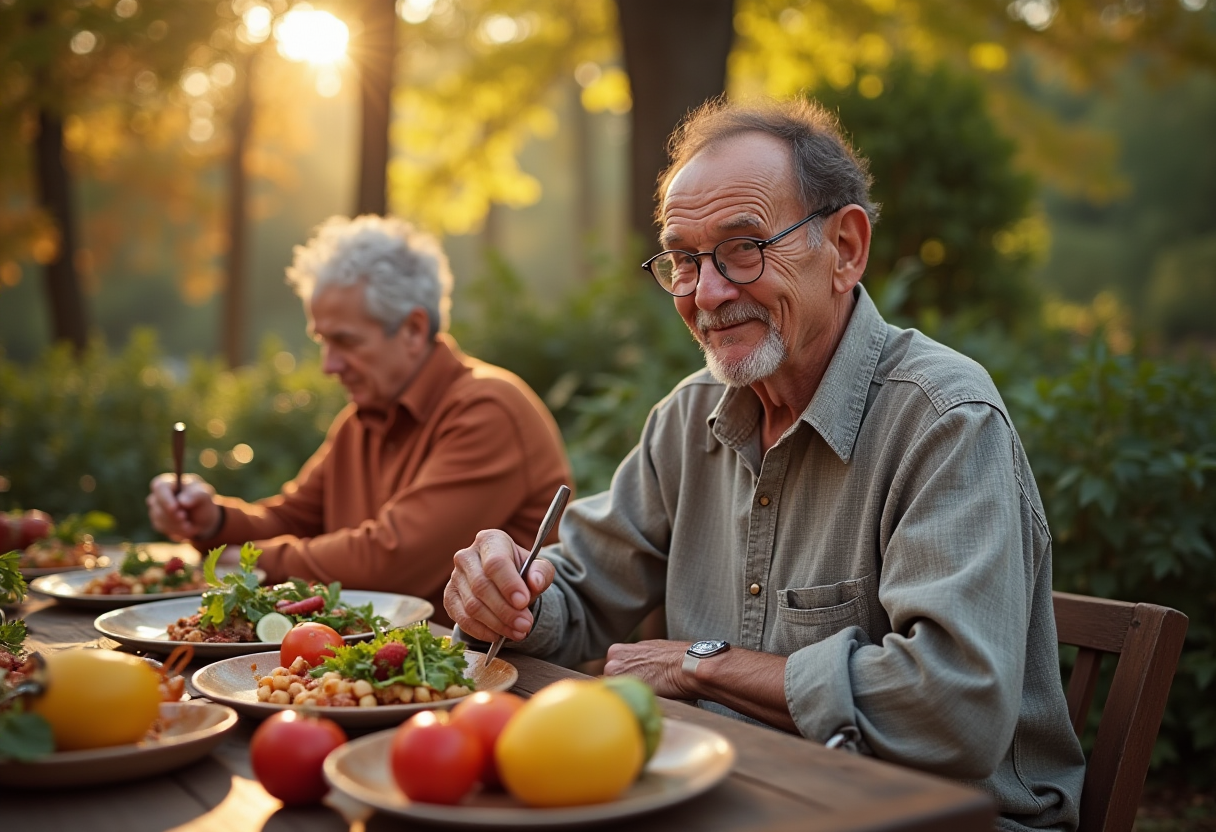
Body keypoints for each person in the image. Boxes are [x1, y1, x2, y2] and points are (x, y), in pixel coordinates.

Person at [444, 99, 1086, 829]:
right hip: (733, 797)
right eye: (683, 260)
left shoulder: (945, 420)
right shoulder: (689, 417)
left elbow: (952, 709)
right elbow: (579, 596)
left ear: (845, 247)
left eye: (743, 246)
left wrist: (700, 664)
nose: (708, 294)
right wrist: (509, 593)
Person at [147, 215, 572, 626]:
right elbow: (289, 519)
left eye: (345, 341)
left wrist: (245, 560)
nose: (328, 365)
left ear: (413, 329)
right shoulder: (362, 419)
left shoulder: (488, 409)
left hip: (492, 675)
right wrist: (212, 522)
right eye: (322, 341)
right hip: (384, 673)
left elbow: (390, 562)